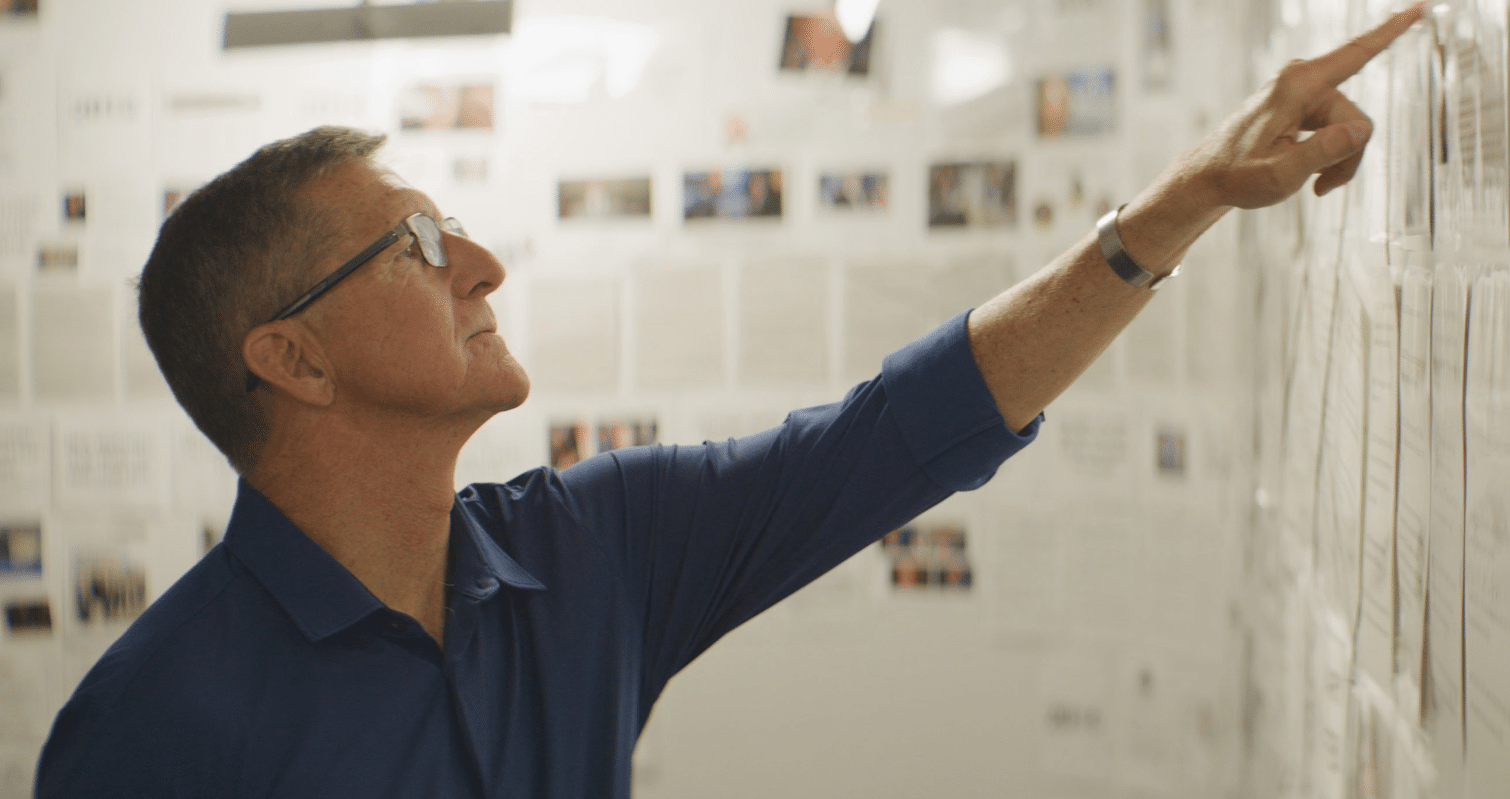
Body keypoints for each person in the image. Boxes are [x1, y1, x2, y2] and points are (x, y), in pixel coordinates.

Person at [35, 5, 1425, 797]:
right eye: (417, 246)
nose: (485, 262)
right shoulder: (150, 726)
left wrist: (1185, 198)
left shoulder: (588, 555)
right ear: (294, 358)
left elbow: (900, 429)